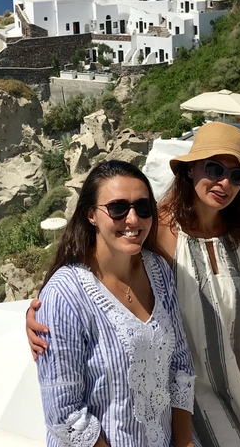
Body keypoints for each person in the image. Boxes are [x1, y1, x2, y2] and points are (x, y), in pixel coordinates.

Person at [29, 122, 240, 447]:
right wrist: (39, 312)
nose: (225, 182)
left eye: (237, 176)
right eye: (214, 168)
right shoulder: (162, 230)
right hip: (198, 398)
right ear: (191, 169)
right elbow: (65, 408)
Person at [35, 160, 196, 447]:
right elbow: (66, 414)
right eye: (118, 208)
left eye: (143, 208)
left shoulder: (157, 270)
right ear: (91, 216)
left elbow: (180, 368)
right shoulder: (65, 294)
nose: (133, 219)